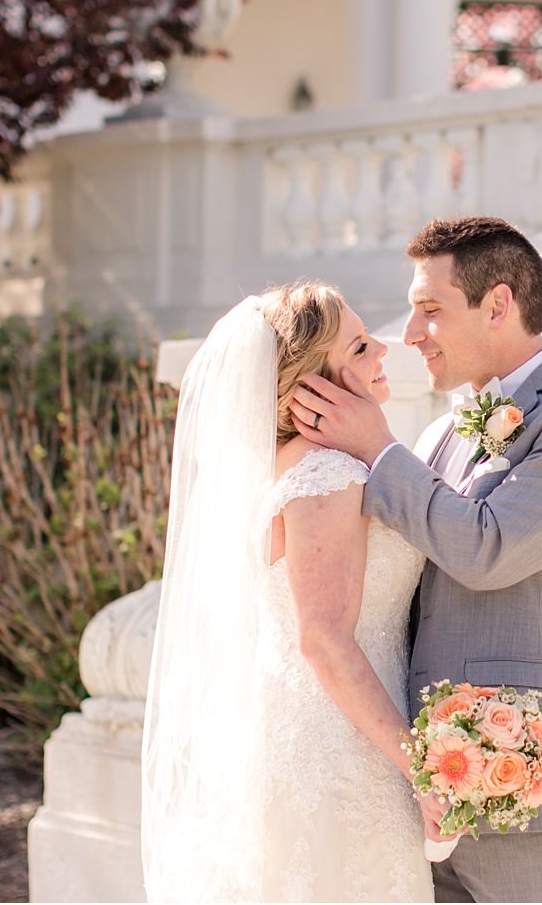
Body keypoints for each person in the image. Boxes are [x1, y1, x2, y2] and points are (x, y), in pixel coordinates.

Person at [291, 216, 542, 903]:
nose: (411, 332)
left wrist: (376, 448)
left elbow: (488, 550)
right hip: (412, 775)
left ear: (498, 304)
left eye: (430, 310)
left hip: (525, 775)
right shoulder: (442, 429)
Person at [141, 282, 433, 903]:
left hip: (301, 732)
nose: (381, 348)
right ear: (312, 388)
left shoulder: (279, 468)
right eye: (358, 346)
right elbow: (324, 640)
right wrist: (423, 769)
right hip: (344, 752)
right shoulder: (327, 474)